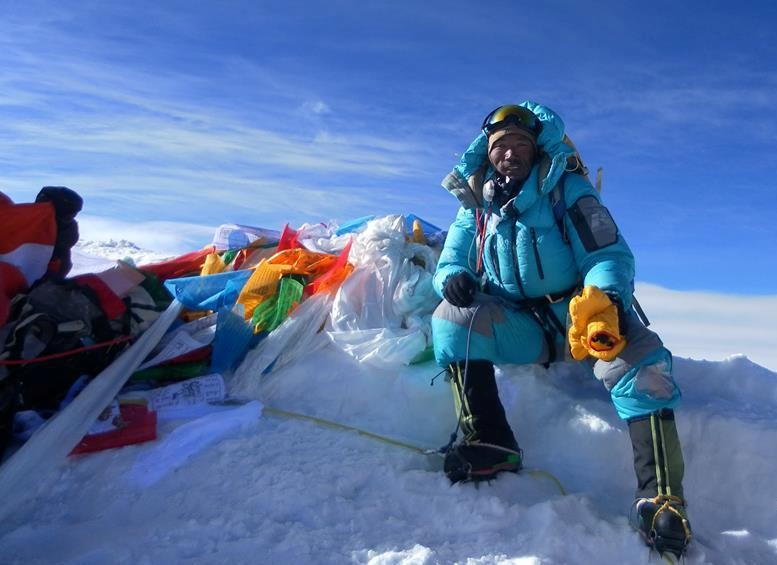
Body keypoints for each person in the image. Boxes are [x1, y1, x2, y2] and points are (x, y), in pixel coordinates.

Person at [431, 102, 692, 556]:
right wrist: (453, 280)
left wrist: (604, 300)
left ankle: (660, 497)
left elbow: (608, 255)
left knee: (642, 361)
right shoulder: (477, 206)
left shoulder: (567, 191)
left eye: (519, 143)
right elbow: (451, 259)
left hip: (579, 314)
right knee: (452, 321)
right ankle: (490, 440)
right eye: (500, 146)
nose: (509, 153)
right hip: (522, 324)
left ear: (536, 149)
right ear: (487, 153)